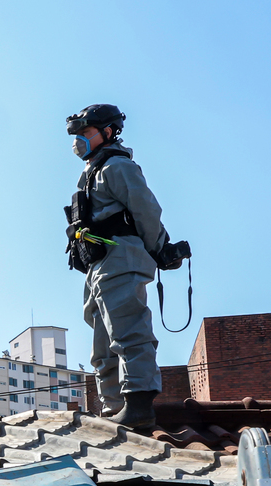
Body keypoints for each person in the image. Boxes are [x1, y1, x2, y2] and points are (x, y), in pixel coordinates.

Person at [65, 103, 171, 429]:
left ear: (107, 132)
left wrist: (161, 248)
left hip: (121, 257)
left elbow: (146, 210)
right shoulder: (91, 172)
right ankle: (113, 409)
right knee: (102, 342)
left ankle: (138, 402)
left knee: (129, 330)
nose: (79, 141)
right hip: (99, 265)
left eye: (86, 133)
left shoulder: (117, 166)